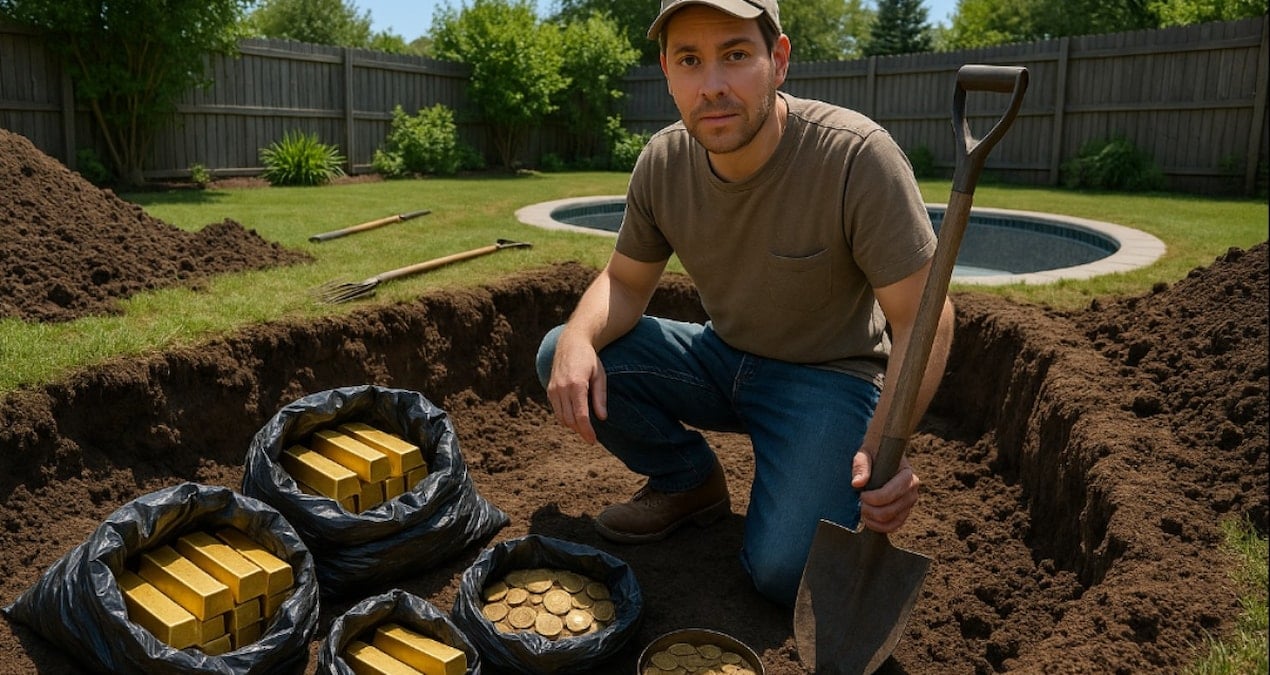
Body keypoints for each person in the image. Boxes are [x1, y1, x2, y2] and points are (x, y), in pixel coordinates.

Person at [535, 0, 954, 607]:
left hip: (828, 378)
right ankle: (689, 483)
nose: (713, 86)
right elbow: (624, 282)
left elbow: (926, 315)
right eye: (690, 60)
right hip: (721, 357)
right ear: (667, 72)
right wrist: (578, 338)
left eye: (735, 55)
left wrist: (886, 444)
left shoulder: (856, 157)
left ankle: (804, 480)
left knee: (787, 575)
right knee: (561, 351)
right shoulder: (664, 159)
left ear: (777, 60)